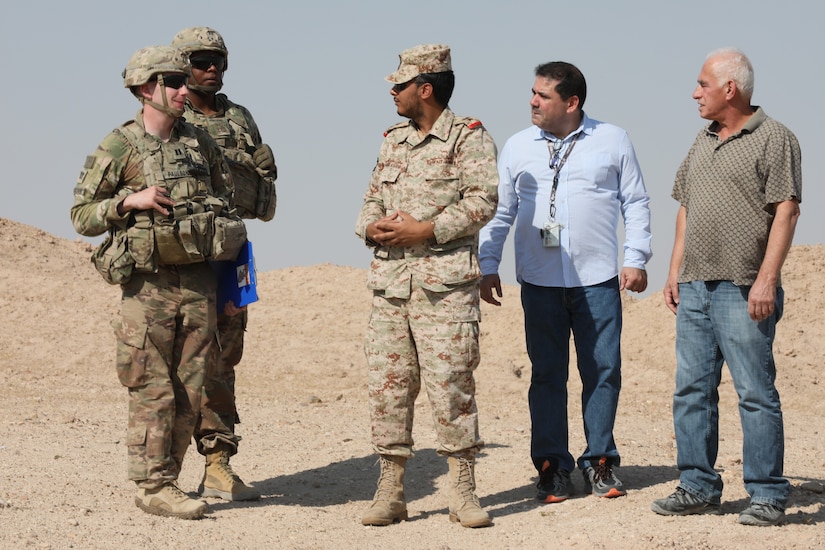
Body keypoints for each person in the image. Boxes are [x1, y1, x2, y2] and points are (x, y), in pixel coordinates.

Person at [71, 45, 243, 519]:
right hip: (147, 288)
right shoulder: (118, 145)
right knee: (152, 387)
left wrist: (232, 290)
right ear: (148, 88)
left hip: (199, 284)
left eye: (184, 82)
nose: (186, 90)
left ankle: (169, 480)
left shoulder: (199, 144)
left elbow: (226, 212)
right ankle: (152, 485)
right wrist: (129, 201)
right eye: (175, 83)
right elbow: (82, 215)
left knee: (191, 389)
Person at [478, 61, 652, 504]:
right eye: (533, 93)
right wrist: (487, 262)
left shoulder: (612, 139)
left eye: (543, 95)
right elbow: (501, 211)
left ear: (571, 102)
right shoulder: (518, 147)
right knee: (547, 375)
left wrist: (635, 258)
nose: (532, 101)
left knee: (603, 371)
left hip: (598, 280)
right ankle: (553, 467)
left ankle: (600, 462)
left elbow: (635, 201)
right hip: (539, 282)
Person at [651, 48, 802, 526]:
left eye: (702, 84)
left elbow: (786, 210)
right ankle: (697, 485)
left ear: (730, 89)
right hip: (695, 287)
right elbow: (686, 208)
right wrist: (675, 271)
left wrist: (767, 279)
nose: (695, 93)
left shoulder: (776, 139)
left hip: (744, 288)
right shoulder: (702, 140)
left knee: (755, 392)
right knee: (692, 390)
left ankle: (767, 494)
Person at [354, 44, 498, 528]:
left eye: (400, 85)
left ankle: (462, 489)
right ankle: (390, 490)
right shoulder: (392, 140)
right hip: (391, 289)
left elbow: (483, 202)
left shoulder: (469, 138)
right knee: (388, 390)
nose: (392, 92)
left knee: (451, 386)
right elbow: (371, 199)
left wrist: (426, 230)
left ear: (426, 88)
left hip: (445, 291)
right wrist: (371, 227)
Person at [171, 26, 277, 503]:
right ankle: (162, 468)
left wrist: (262, 172)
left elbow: (264, 200)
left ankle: (218, 463)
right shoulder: (171, 114)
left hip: (231, 252)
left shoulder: (239, 117)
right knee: (181, 358)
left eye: (218, 60)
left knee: (223, 358)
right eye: (200, 60)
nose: (211, 68)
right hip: (186, 255)